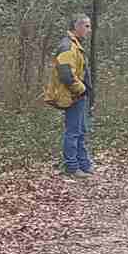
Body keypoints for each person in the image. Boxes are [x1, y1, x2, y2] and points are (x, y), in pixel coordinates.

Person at [41, 14, 94, 179]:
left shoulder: (75, 45)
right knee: (73, 132)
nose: (89, 30)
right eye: (86, 26)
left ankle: (84, 164)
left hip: (78, 95)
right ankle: (72, 167)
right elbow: (66, 74)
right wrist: (81, 89)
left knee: (81, 131)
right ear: (77, 27)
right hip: (72, 96)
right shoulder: (67, 46)